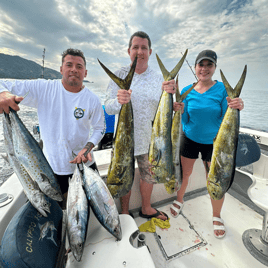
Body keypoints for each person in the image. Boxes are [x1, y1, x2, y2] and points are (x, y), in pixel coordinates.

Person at [0, 48, 105, 208]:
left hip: (85, 167)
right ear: (61, 69)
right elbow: (3, 84)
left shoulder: (92, 99)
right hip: (52, 170)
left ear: (85, 73)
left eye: (79, 66)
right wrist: (4, 94)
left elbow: (100, 128)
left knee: (87, 211)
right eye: (69, 65)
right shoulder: (43, 89)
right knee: (57, 215)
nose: (74, 69)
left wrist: (88, 148)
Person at [170, 49, 245, 238]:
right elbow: (186, 120)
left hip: (215, 144)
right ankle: (180, 200)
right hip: (189, 139)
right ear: (195, 67)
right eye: (201, 65)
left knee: (215, 180)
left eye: (209, 65)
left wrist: (237, 106)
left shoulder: (222, 90)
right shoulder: (187, 90)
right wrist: (179, 110)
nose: (204, 69)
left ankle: (216, 215)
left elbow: (225, 116)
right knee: (184, 174)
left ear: (214, 68)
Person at [105, 31, 176, 220]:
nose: (139, 51)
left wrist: (173, 99)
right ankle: (125, 212)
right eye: (135, 47)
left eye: (143, 47)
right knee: (124, 177)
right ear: (129, 50)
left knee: (148, 176)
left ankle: (146, 208)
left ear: (150, 51)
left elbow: (163, 109)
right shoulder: (119, 74)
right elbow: (108, 108)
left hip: (149, 141)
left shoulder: (158, 78)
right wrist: (118, 101)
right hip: (123, 142)